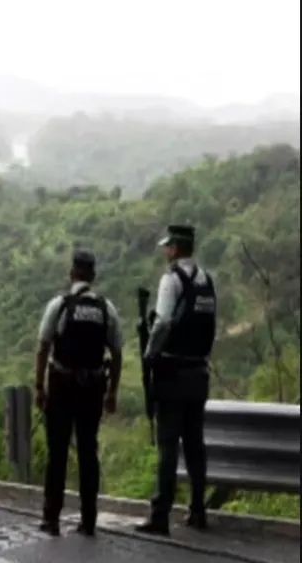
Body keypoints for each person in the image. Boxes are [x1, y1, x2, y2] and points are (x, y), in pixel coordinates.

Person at [33, 249, 123, 537]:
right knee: (88, 452)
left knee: (57, 453)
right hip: (92, 388)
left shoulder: (59, 305)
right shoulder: (106, 309)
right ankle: (88, 521)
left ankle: (52, 518)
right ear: (93, 277)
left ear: (71, 274)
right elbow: (118, 353)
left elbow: (43, 347)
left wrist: (39, 387)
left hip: (61, 385)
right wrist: (112, 393)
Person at [136, 224, 216, 536]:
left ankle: (160, 515)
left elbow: (163, 323)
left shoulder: (171, 281)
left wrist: (148, 354)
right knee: (195, 444)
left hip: (172, 375)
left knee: (168, 446)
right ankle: (198, 510)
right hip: (199, 374)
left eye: (167, 246)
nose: (165, 251)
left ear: (175, 248)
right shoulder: (207, 281)